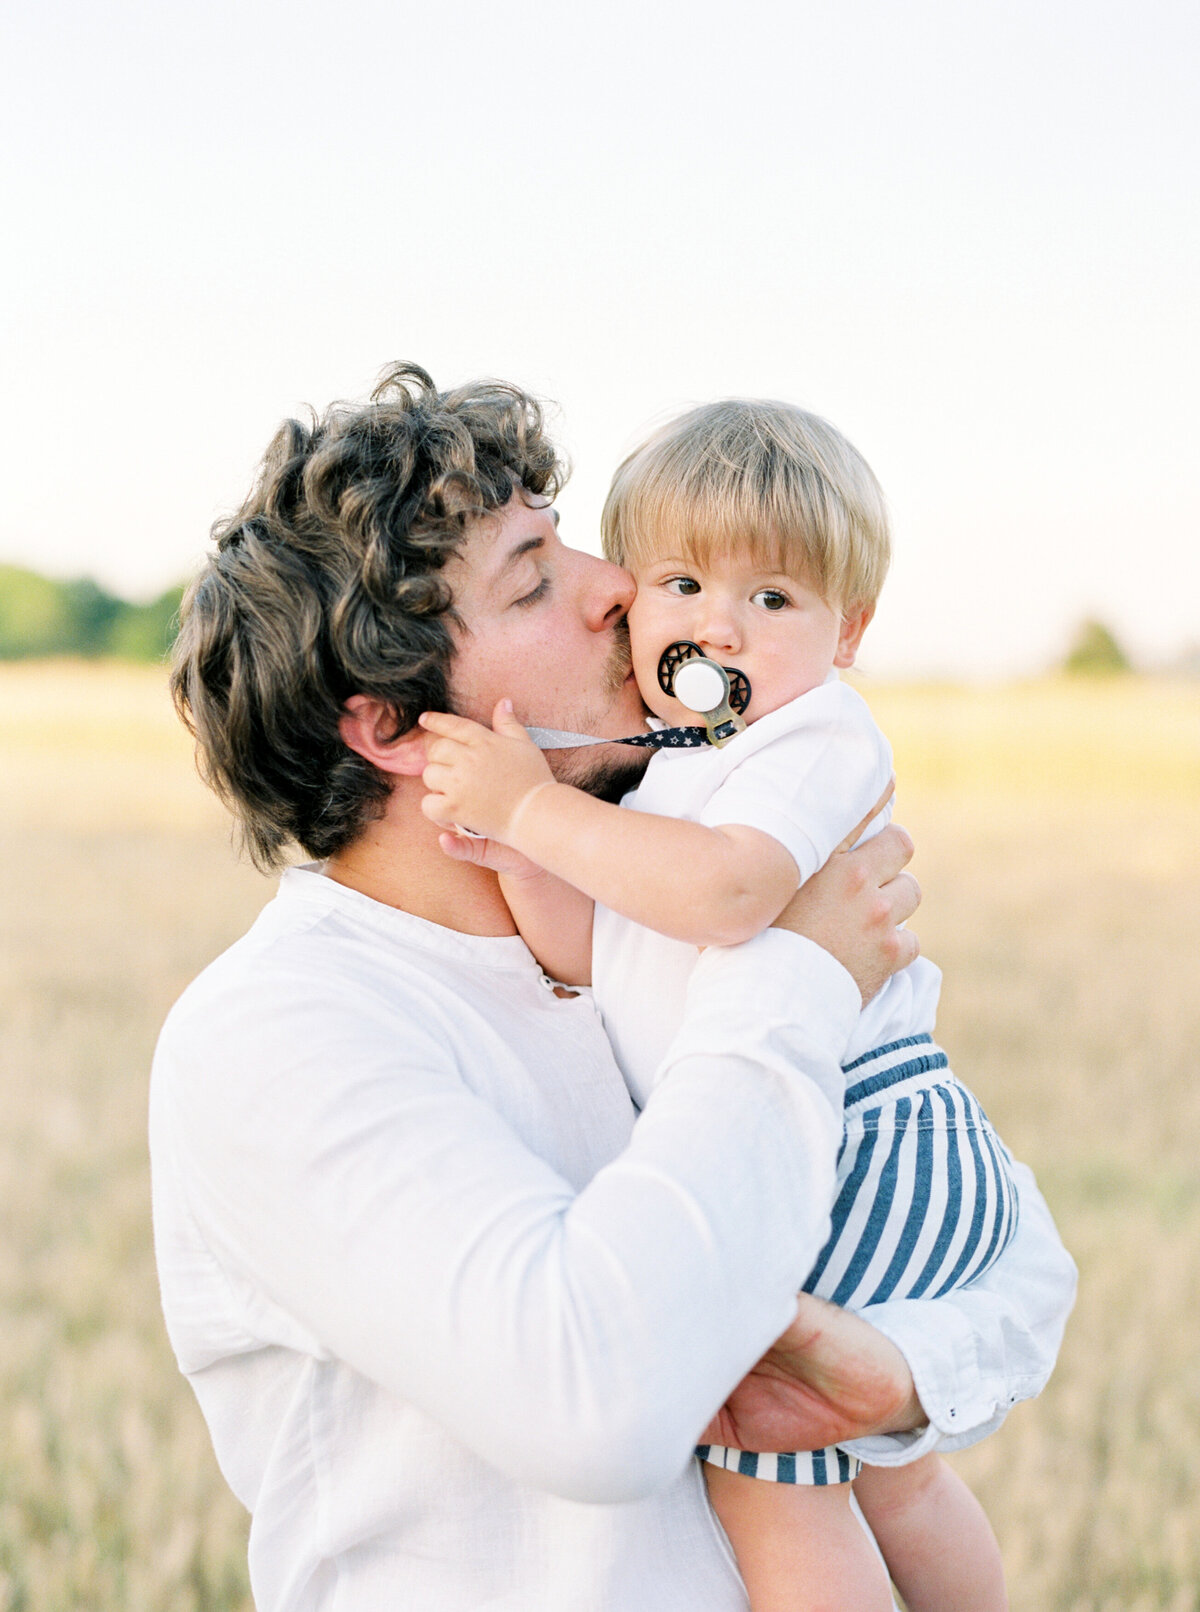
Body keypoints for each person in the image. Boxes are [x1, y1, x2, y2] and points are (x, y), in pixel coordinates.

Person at [153, 363, 1076, 1612]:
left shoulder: (635, 904)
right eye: (535, 576)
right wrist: (794, 969)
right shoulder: (279, 1034)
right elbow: (594, 1397)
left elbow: (1024, 1271)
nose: (617, 590)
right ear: (394, 730)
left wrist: (908, 1370)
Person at [417, 397, 1040, 1610]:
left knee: (771, 1471)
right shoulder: (673, 767)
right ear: (635, 601)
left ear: (848, 631)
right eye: (685, 582)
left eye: (773, 599)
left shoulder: (814, 736)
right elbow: (607, 953)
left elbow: (735, 893)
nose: (721, 626)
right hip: (834, 1133)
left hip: (864, 1135)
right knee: (881, 1475)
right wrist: (531, 863)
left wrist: (539, 810)